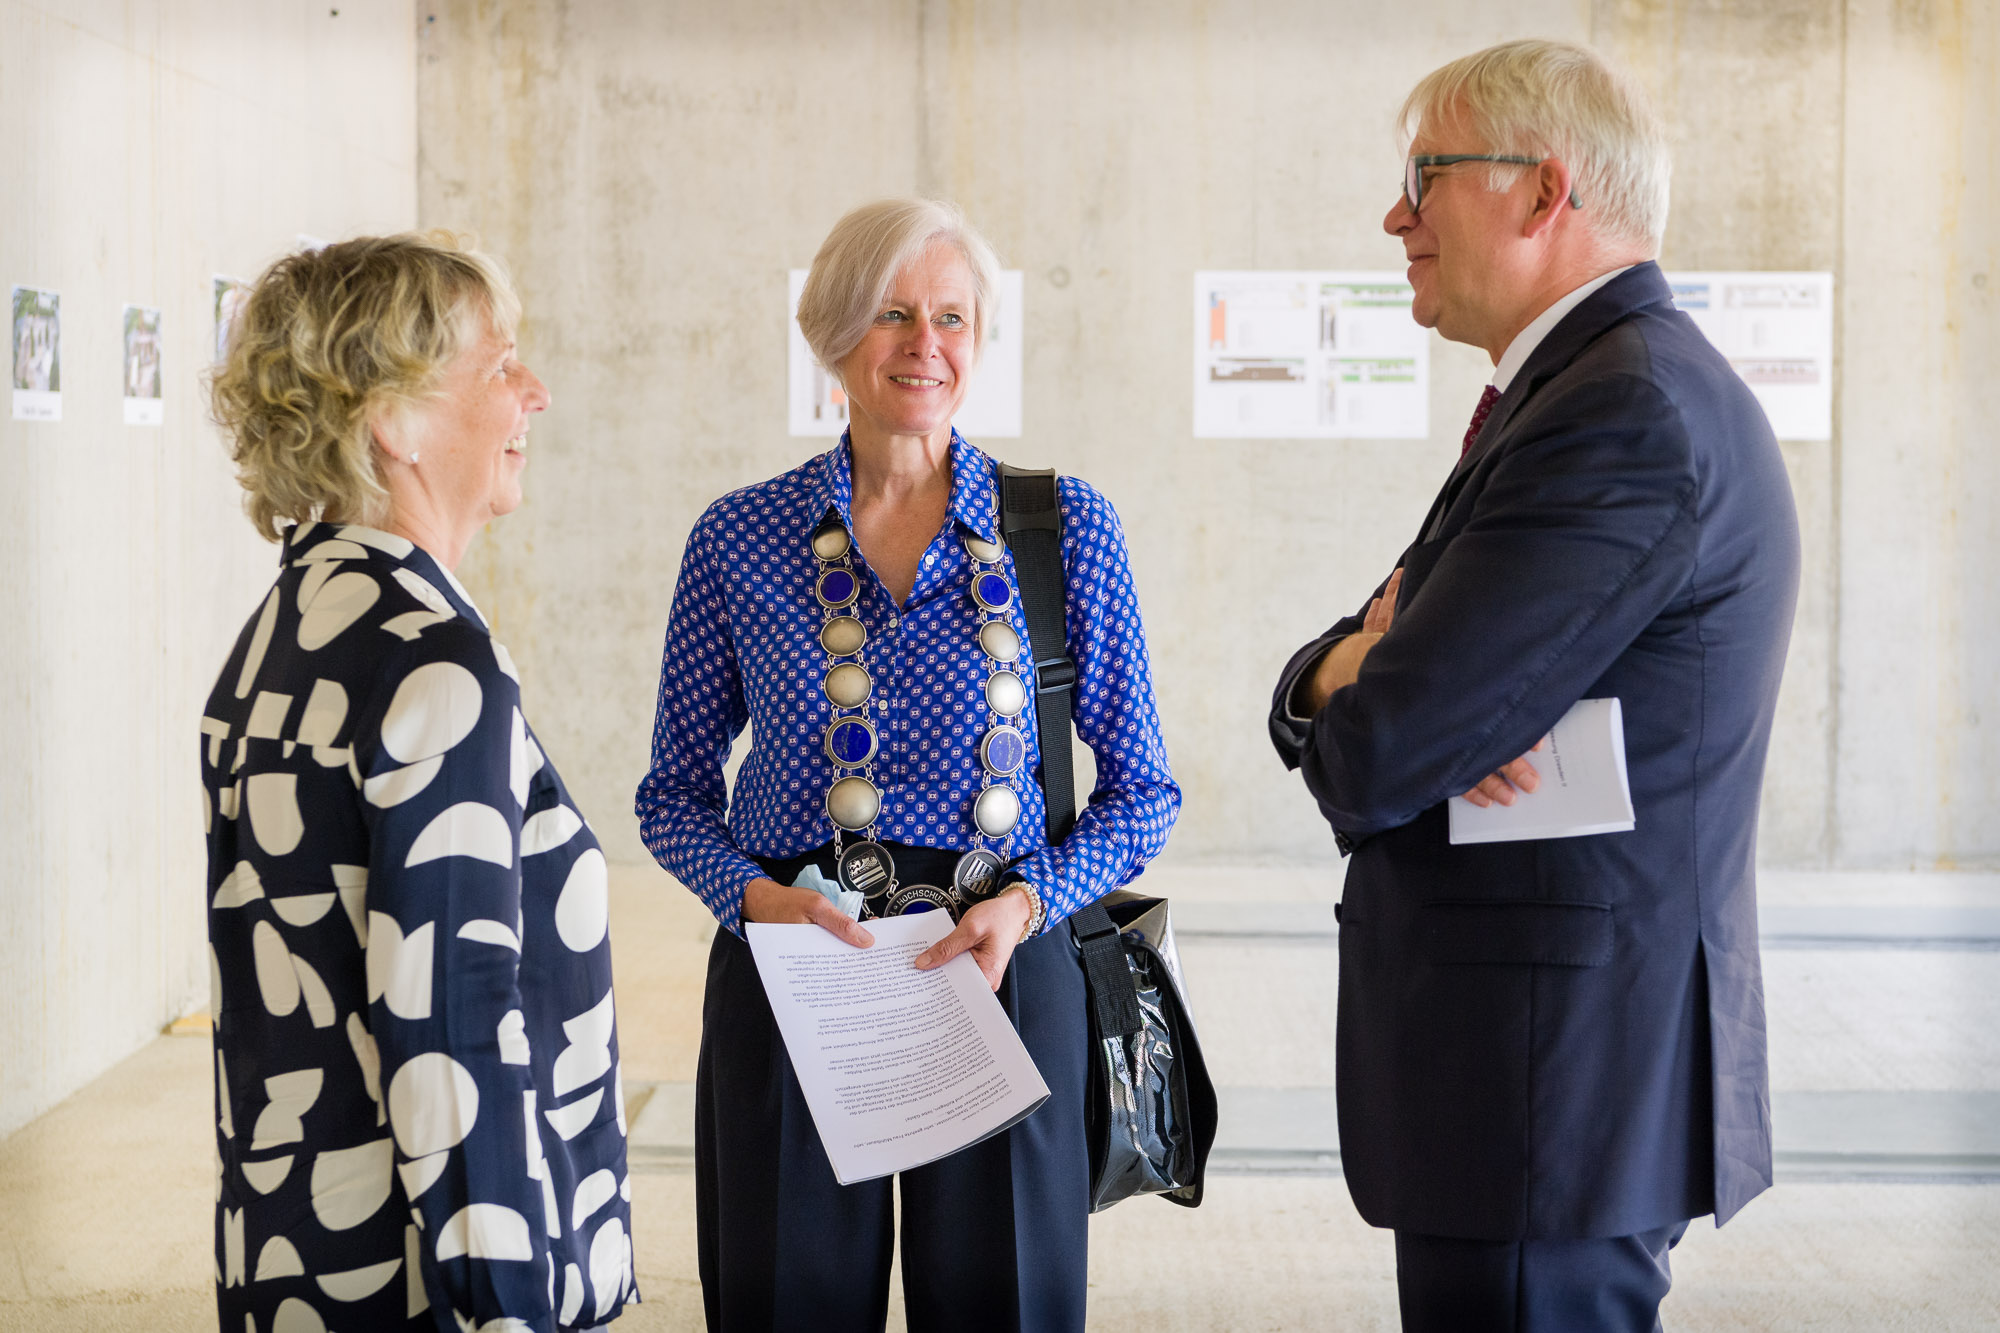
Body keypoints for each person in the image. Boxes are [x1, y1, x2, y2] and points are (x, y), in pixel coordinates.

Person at [1268, 40, 1801, 1331]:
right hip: (1538, 1081)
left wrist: (1373, 686)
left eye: (1425, 176)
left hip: (1546, 1092)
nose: (1397, 216)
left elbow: (1380, 750)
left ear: (1541, 190)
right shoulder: (1582, 391)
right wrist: (1347, 667)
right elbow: (1358, 676)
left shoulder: (1623, 414)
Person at [636, 197, 1179, 1332]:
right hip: (797, 973)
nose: (923, 344)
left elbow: (1143, 791)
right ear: (834, 334)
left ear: (978, 341)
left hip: (999, 965)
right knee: (789, 1303)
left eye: (951, 317)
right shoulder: (737, 537)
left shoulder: (1065, 527)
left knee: (1007, 1307)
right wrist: (753, 902)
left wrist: (1028, 903)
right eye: (891, 314)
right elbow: (670, 796)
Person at [202, 234, 636, 1332]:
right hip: (422, 1283)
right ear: (391, 423)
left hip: (297, 1253)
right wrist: (500, 1306)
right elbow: (451, 1023)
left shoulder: (284, 628)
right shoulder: (433, 661)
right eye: (499, 367)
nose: (534, 391)